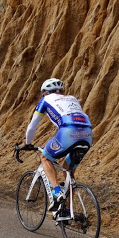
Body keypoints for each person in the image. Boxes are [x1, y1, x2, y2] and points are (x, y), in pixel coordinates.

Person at [23, 78, 92, 220]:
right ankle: (68, 211)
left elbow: (32, 127)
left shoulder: (45, 100)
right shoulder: (72, 99)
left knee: (45, 157)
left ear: (45, 93)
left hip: (68, 132)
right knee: (68, 170)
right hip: (87, 135)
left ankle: (56, 192)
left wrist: (28, 144)